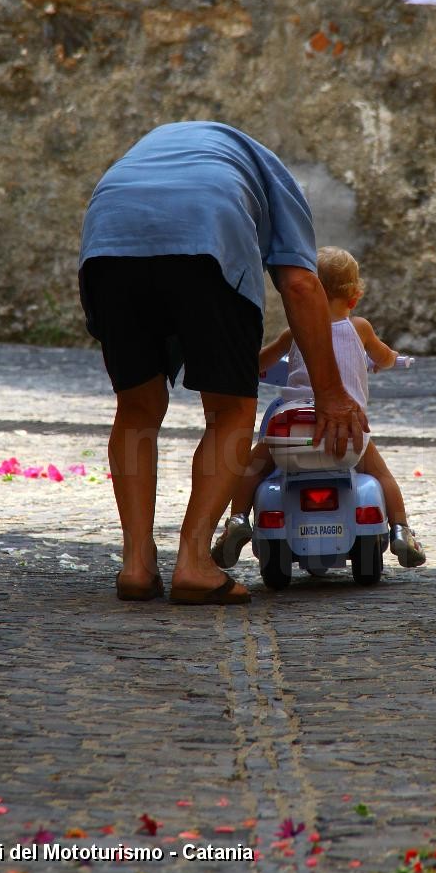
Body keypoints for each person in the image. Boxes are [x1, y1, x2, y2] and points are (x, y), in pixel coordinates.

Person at [78, 123, 368, 606]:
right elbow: (300, 285)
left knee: (137, 408)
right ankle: (193, 562)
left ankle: (135, 564)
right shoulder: (271, 176)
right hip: (205, 235)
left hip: (109, 239)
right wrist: (332, 395)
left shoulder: (155, 152)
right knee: (229, 410)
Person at [212, 246, 426, 569]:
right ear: (354, 298)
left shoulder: (295, 331)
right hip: (346, 427)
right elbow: (383, 357)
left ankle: (238, 520)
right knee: (382, 475)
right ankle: (400, 530)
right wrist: (391, 360)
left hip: (295, 428)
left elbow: (261, 362)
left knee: (252, 467)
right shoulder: (360, 329)